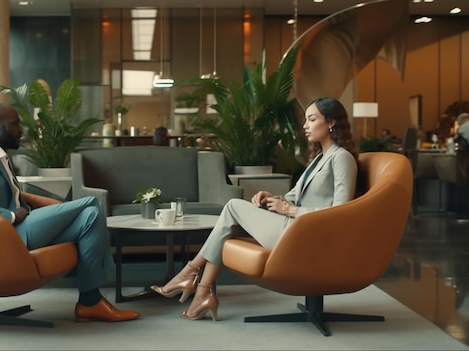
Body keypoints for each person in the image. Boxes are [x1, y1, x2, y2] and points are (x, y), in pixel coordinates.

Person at [150, 97, 359, 321]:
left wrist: (289, 210)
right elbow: (295, 197)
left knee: (232, 207)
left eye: (312, 119)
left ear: (331, 123)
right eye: (306, 120)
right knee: (226, 227)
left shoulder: (341, 158)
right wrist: (273, 199)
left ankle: (191, 275)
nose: (305, 125)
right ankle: (202, 291)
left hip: (308, 234)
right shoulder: (319, 158)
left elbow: (341, 213)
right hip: (295, 227)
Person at [0, 103, 140, 323]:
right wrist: (8, 215)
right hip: (8, 233)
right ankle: (94, 295)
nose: (21, 130)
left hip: (22, 226)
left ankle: (90, 302)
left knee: (90, 217)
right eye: (15, 124)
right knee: (91, 203)